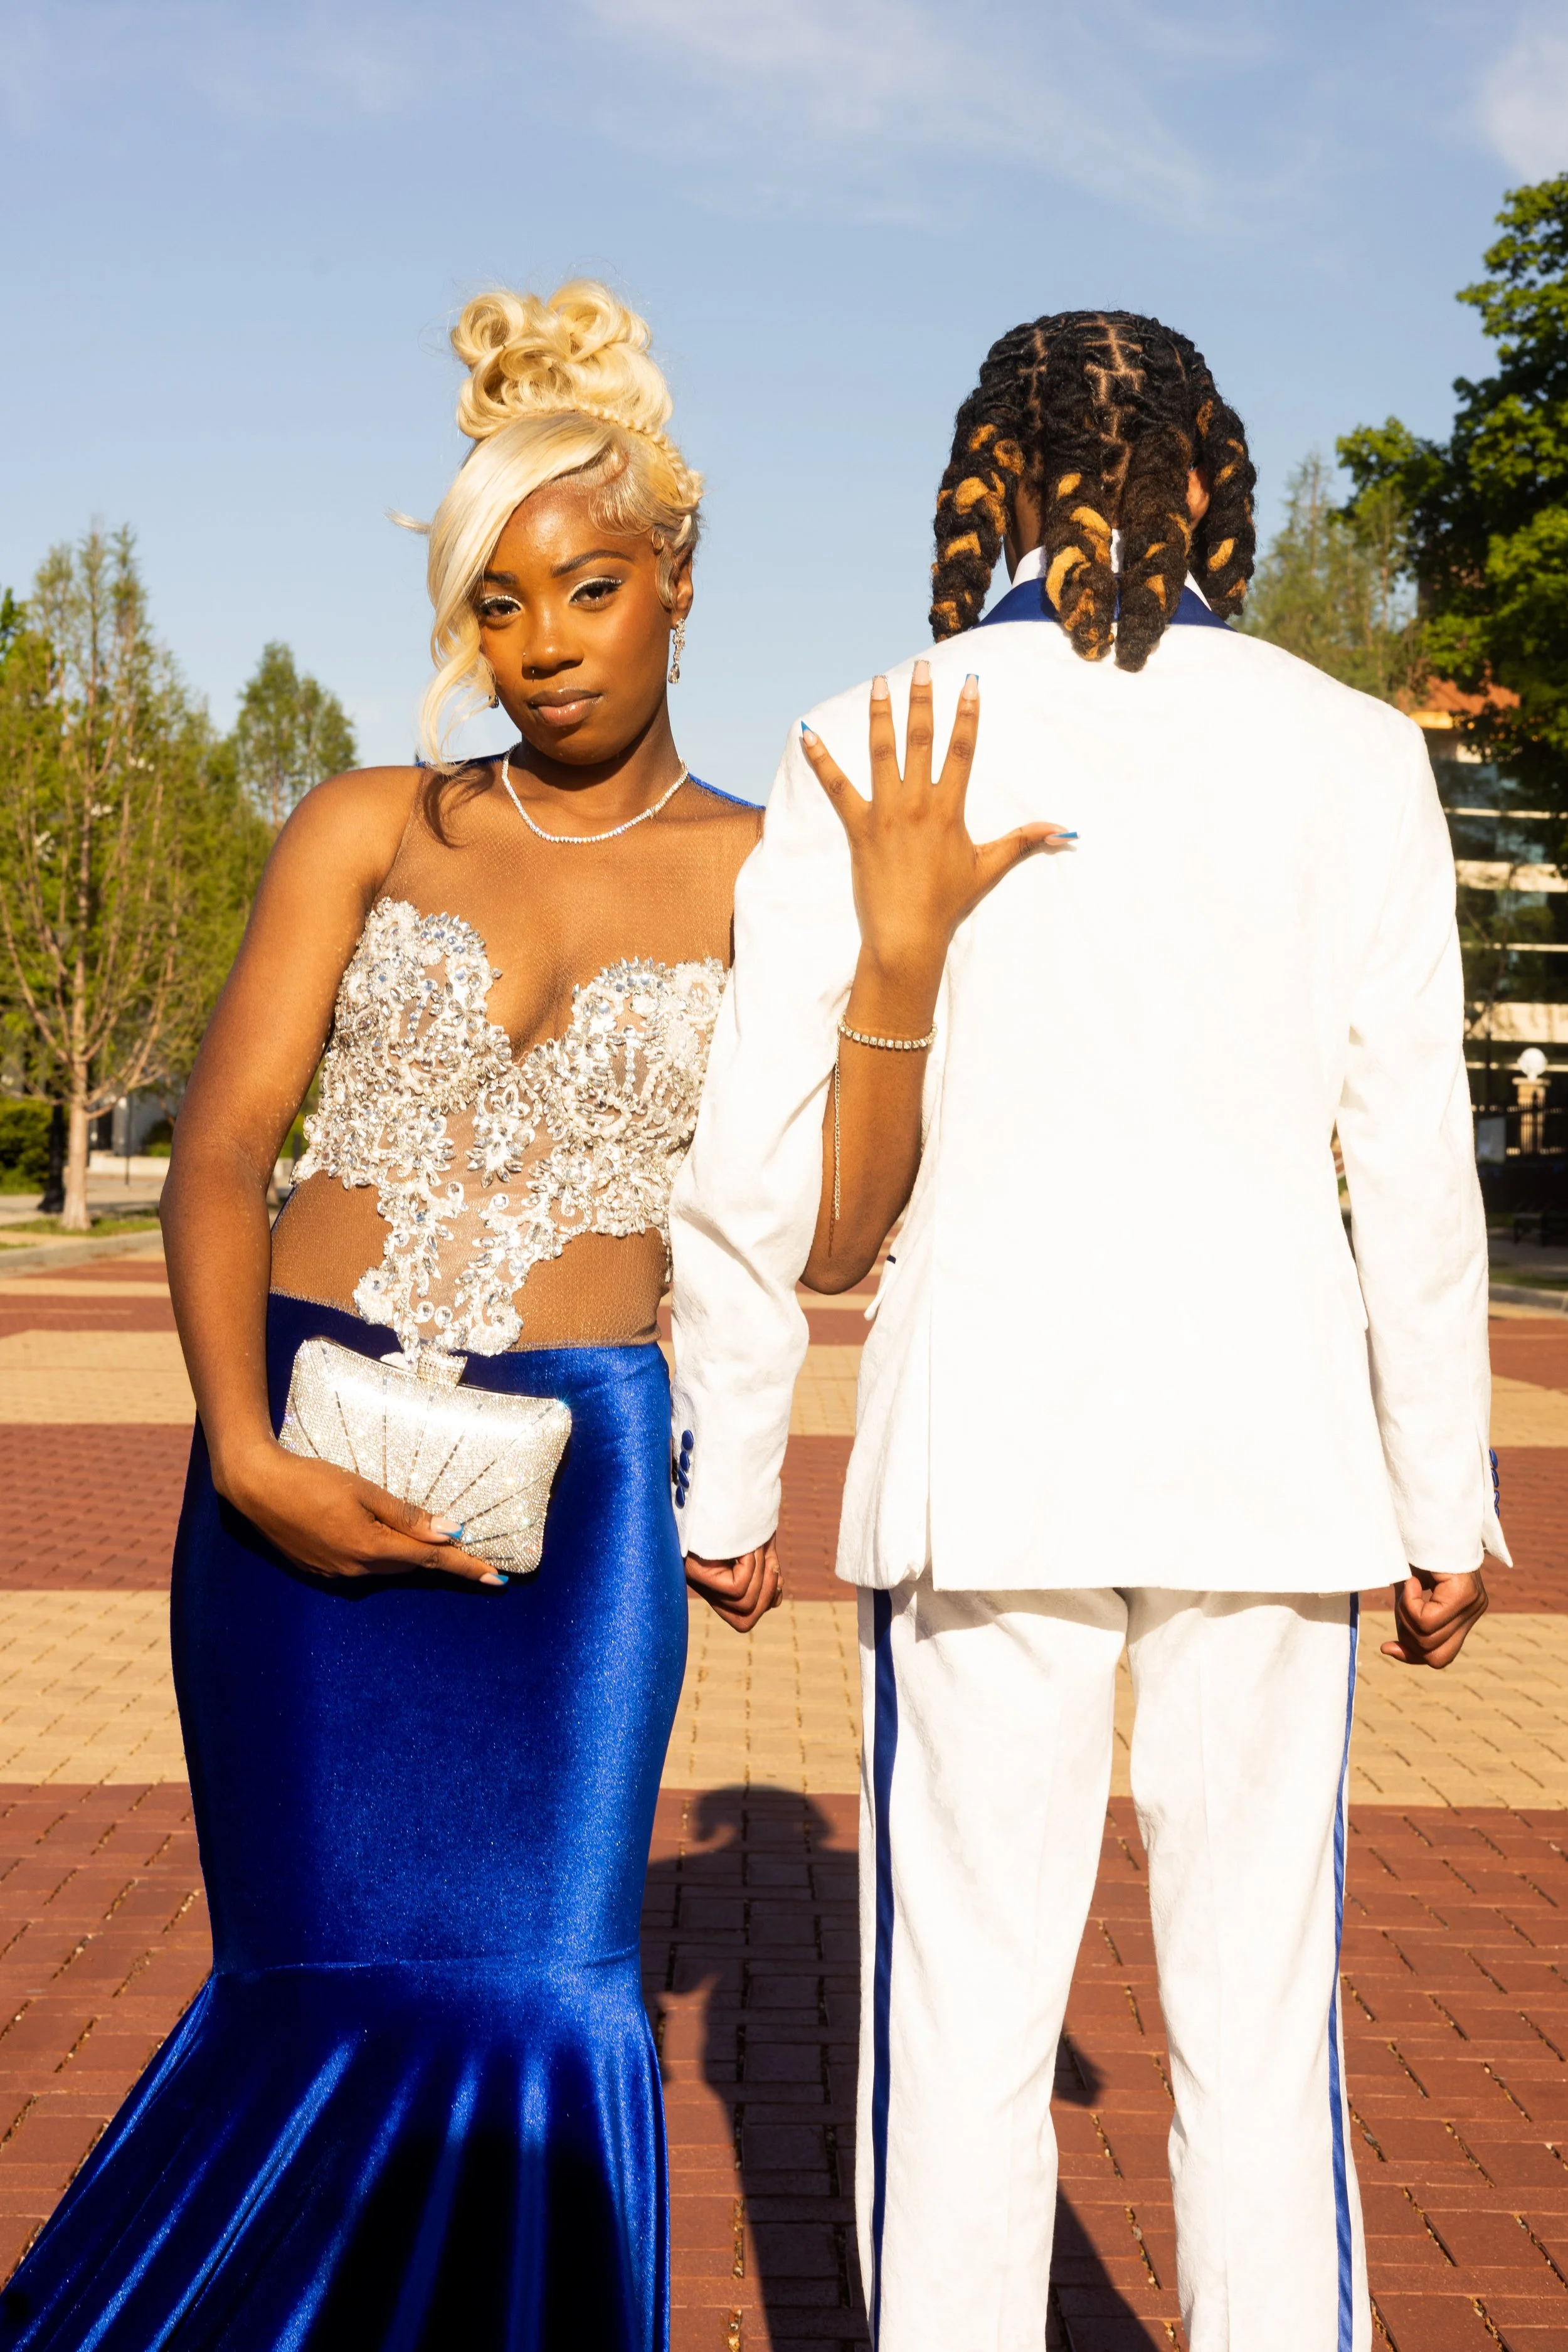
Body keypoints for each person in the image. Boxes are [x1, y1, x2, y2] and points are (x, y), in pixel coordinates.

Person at [669, 310, 1505, 2352]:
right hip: (1271, 1454)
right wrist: (1440, 1487)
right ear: (1214, 475)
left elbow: (753, 1136)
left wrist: (731, 1450)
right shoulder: (1352, 748)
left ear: (987, 476)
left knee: (956, 2023)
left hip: (988, 1448)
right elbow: (1406, 1153)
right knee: (1253, 2016)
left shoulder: (866, 730)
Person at [0, 280, 775, 2352]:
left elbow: (834, 1224)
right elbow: (233, 1151)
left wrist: (896, 957)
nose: (537, 647)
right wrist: (242, 1451)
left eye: (585, 590)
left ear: (679, 582)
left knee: (538, 1993)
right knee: (313, 1989)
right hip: (287, 1468)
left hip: (576, 1511)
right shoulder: (367, 820)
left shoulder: (772, 875)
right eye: (494, 608)